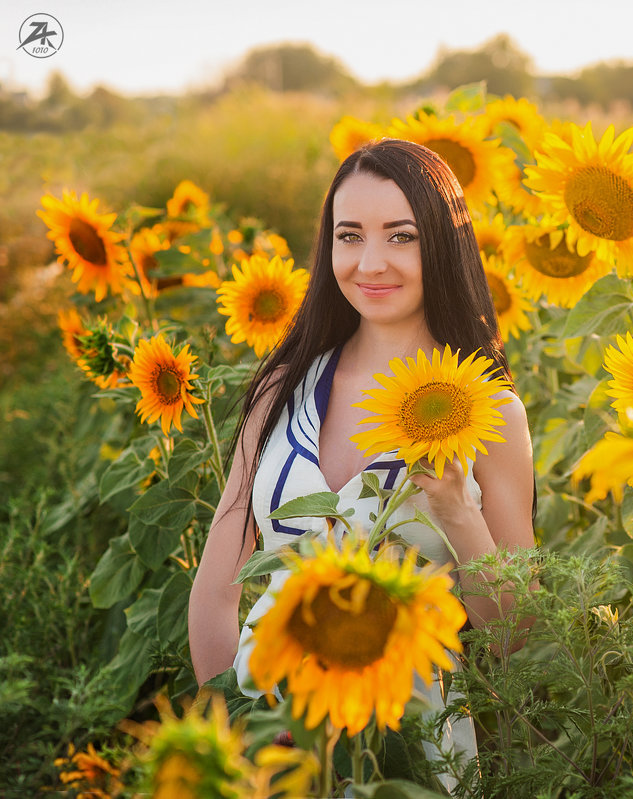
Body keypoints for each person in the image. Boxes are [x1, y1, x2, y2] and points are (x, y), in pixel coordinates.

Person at [187, 139, 536, 778]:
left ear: (442, 244)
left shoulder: (491, 416)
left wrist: (458, 511)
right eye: (350, 236)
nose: (370, 262)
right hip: (272, 742)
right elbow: (217, 589)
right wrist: (234, 729)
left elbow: (515, 633)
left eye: (400, 236)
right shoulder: (281, 390)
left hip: (409, 756)